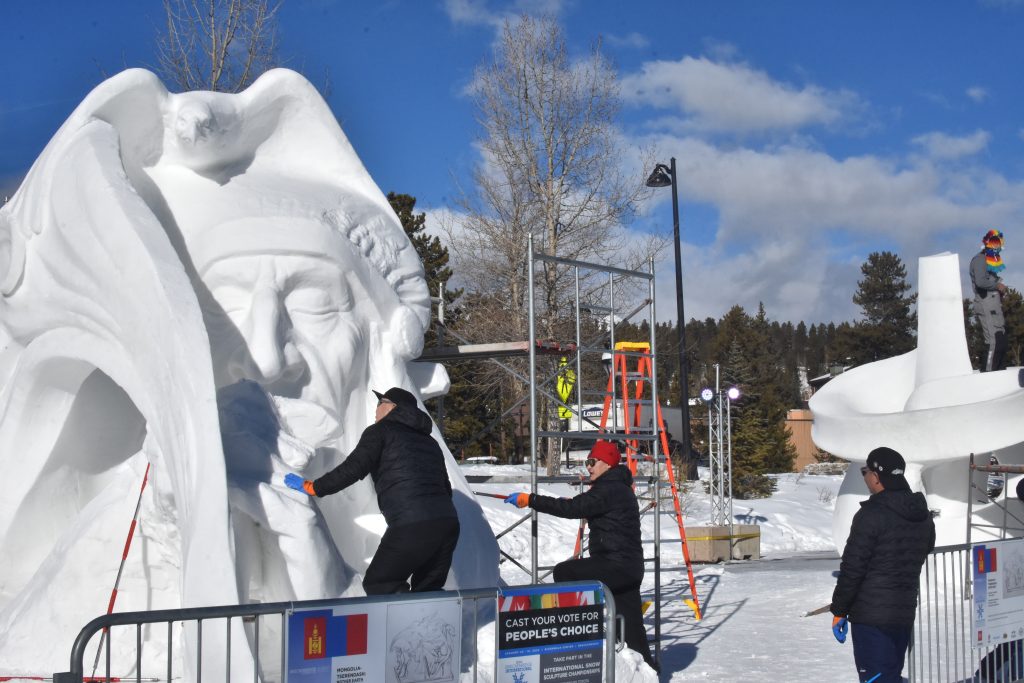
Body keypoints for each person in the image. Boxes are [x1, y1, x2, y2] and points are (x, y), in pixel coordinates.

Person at [286, 387, 460, 594]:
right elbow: (445, 487)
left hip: (412, 524)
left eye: (380, 403)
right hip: (447, 524)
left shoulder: (381, 431)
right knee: (428, 589)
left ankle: (404, 617)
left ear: (393, 407)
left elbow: (354, 467)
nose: (376, 409)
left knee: (380, 584)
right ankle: (430, 617)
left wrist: (315, 487)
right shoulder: (430, 442)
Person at [503, 440, 658, 672]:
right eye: (587, 462)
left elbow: (574, 509)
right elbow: (582, 505)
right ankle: (648, 672)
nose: (589, 466)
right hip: (628, 567)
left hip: (615, 564)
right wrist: (570, 503)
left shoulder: (609, 488)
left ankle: (580, 635)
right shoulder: (617, 487)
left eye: (592, 461)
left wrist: (531, 500)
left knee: (565, 572)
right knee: (632, 627)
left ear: (607, 463)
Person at [830, 446, 935, 683]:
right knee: (890, 675)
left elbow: (853, 568)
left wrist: (839, 610)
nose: (864, 477)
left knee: (877, 679)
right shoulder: (921, 513)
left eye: (865, 471)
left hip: (871, 617)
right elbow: (925, 547)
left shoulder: (871, 515)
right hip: (903, 613)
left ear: (876, 476)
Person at [970, 229, 1008, 372]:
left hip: (994, 304)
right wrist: (997, 286)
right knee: (994, 341)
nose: (998, 246)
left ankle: (1000, 374)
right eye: (995, 242)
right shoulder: (980, 259)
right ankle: (988, 376)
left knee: (1001, 341)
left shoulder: (989, 260)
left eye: (999, 242)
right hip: (985, 303)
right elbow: (980, 281)